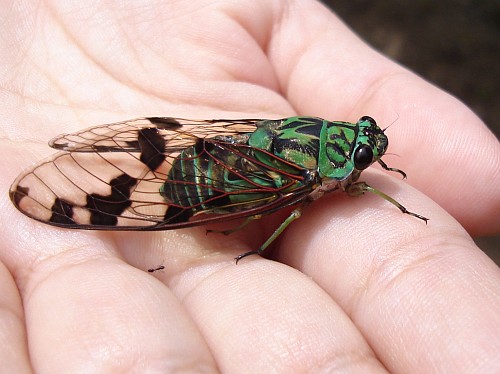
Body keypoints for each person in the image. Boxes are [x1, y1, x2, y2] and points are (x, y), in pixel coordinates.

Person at [1, 1, 498, 372]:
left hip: (233, 149)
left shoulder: (327, 146)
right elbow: (289, 211)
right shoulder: (313, 181)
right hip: (219, 184)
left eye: (365, 154)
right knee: (290, 210)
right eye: (363, 155)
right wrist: (254, 243)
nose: (366, 164)